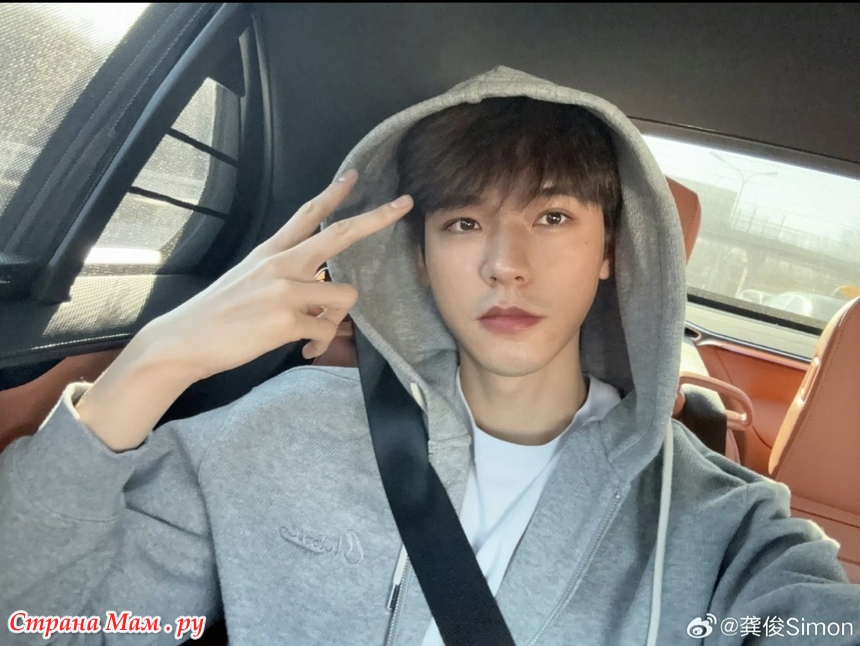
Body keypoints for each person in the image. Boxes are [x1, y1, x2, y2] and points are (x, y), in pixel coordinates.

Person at [1, 66, 858, 645]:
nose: (505, 263)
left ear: (612, 250)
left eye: (552, 216)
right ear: (416, 258)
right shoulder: (270, 436)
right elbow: (48, 629)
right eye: (464, 223)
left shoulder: (722, 525)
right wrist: (153, 363)